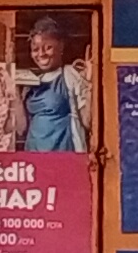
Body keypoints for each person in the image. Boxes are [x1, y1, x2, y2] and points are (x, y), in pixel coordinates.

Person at [17, 14, 90, 152]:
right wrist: (14, 91)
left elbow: (88, 122)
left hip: (64, 154)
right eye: (35, 50)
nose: (41, 54)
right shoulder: (30, 82)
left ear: (61, 47)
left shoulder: (70, 75)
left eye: (48, 47)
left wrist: (90, 83)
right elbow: (21, 129)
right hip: (34, 154)